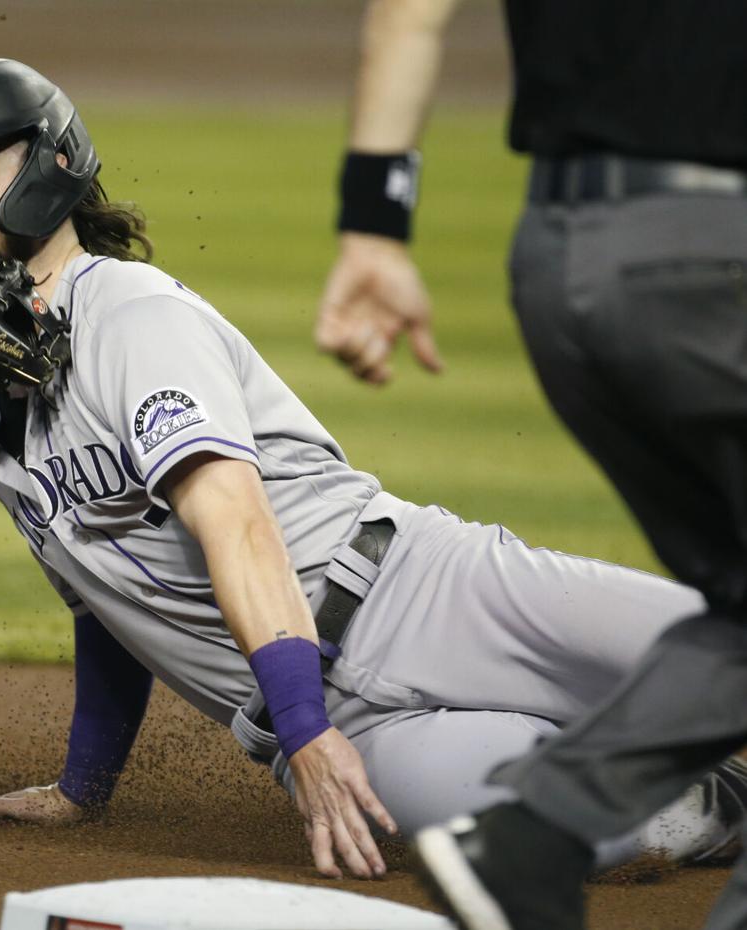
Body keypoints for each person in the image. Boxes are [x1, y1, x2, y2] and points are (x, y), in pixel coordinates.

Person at [0, 57, 747, 882]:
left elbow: (235, 521)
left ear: (50, 169)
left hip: (426, 592)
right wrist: (81, 789)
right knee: (570, 833)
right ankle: (711, 800)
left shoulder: (131, 315)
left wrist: (306, 723)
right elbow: (110, 608)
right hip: (351, 727)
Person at [310, 2, 747, 925]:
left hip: (556, 261)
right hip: (712, 255)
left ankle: (534, 834)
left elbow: (406, 14)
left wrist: (372, 224)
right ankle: (541, 827)